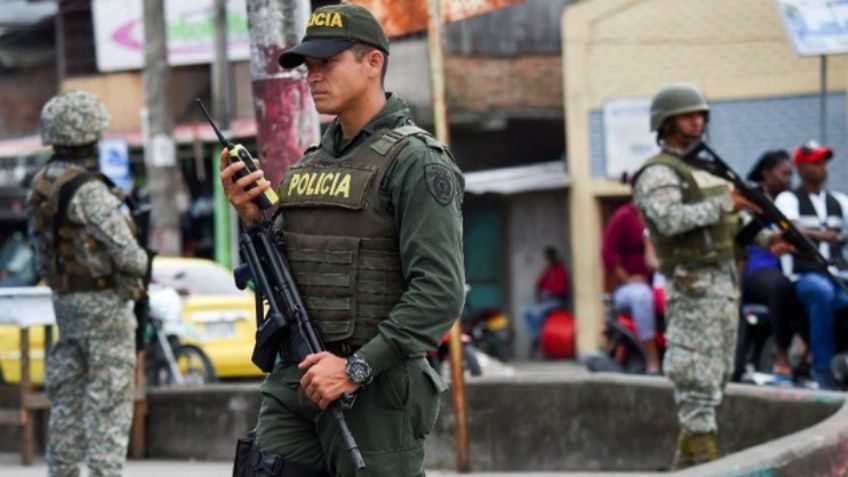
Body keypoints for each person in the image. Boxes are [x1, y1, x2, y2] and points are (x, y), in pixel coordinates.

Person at [219, 4, 465, 476]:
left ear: (373, 63)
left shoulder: (417, 162)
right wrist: (253, 219)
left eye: (327, 63)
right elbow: (287, 271)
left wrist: (355, 370)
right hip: (297, 379)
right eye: (308, 67)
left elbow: (440, 293)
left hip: (373, 390)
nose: (313, 77)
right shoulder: (308, 165)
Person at [632, 83, 778, 469]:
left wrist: (769, 239)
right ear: (666, 122)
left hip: (723, 284)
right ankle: (703, 458)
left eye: (701, 115)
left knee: (716, 377)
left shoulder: (708, 169)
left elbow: (730, 223)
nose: (698, 121)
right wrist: (726, 202)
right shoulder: (659, 172)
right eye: (687, 115)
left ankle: (692, 460)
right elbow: (668, 220)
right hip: (692, 285)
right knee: (696, 375)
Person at [26, 90, 149, 477]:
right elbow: (129, 256)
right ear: (90, 135)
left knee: (68, 399)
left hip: (67, 305)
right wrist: (145, 261)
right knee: (108, 406)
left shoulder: (42, 183)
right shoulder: (89, 191)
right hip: (104, 309)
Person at [775, 140, 848, 390]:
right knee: (821, 292)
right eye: (815, 163)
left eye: (824, 163)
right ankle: (822, 368)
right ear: (802, 168)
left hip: (837, 274)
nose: (823, 168)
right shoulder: (788, 198)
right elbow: (791, 227)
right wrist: (822, 234)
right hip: (801, 277)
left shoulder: (838, 200)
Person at [741, 150, 805, 379]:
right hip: (757, 268)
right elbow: (743, 238)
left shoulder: (792, 201)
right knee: (781, 286)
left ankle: (810, 357)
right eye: (784, 174)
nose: (789, 180)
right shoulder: (750, 200)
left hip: (785, 266)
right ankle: (781, 355)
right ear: (766, 174)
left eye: (791, 175)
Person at [602, 201, 660, 373]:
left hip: (658, 283)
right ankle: (652, 357)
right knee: (641, 296)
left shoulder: (663, 216)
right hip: (628, 290)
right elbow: (608, 254)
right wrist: (628, 279)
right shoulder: (625, 217)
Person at [521, 246, 570, 357]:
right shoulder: (549, 270)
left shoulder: (560, 270)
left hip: (557, 302)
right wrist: (539, 297)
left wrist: (548, 294)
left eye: (550, 256)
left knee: (536, 313)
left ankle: (540, 339)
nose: (548, 259)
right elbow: (539, 284)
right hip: (545, 302)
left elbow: (562, 291)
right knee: (525, 311)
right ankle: (536, 335)